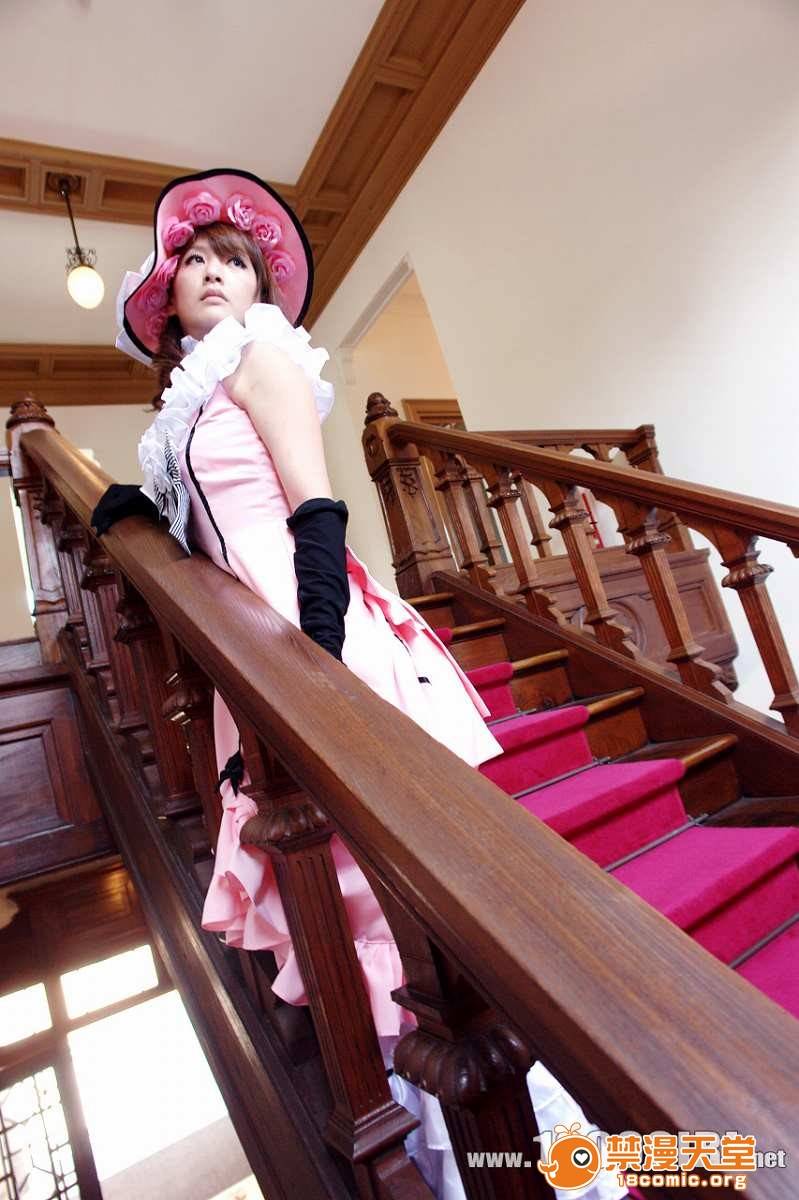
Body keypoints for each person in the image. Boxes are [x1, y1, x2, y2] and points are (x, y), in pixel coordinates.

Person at [94, 168, 625, 1200]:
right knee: (346, 896)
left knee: (397, 891)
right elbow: (206, 519)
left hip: (307, 629)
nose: (211, 271)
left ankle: (541, 1157)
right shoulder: (188, 404)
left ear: (260, 288)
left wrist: (319, 667)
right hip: (252, 645)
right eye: (193, 260)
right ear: (169, 296)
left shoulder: (264, 359)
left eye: (232, 260)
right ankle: (457, 1148)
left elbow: (314, 510)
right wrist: (137, 507)